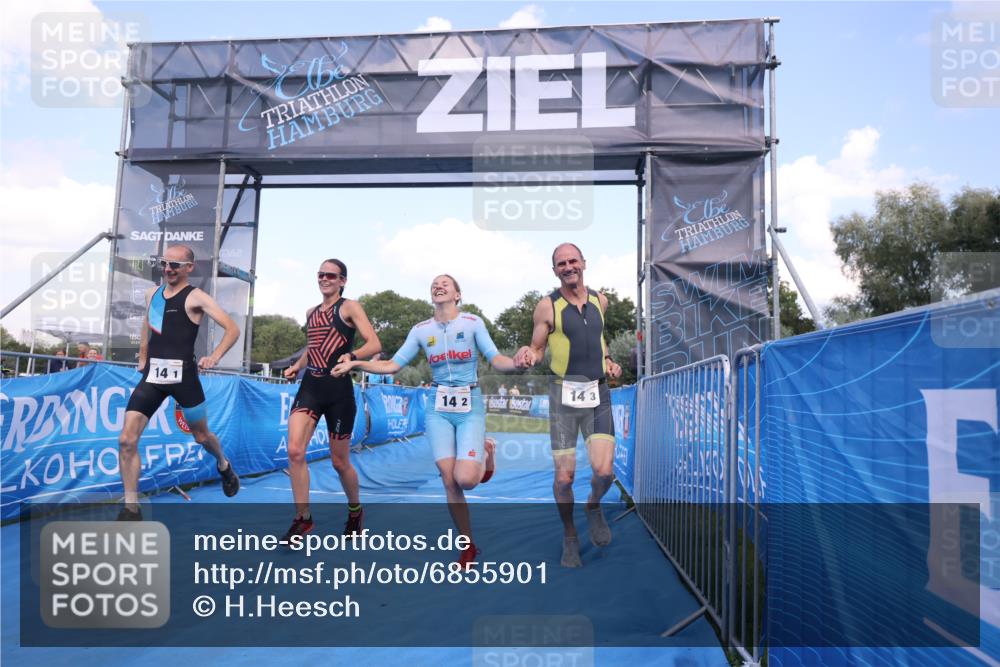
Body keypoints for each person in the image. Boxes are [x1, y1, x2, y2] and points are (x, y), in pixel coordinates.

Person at [334, 274, 515, 567]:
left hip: (469, 404)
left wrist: (517, 361)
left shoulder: (472, 323)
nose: (439, 286)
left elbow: (496, 359)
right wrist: (357, 362)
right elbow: (392, 364)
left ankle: (486, 451)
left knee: (466, 479)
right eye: (435, 284)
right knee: (449, 480)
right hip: (437, 407)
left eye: (446, 283)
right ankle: (467, 544)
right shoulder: (421, 330)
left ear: (458, 294)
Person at [514, 243, 623, 567]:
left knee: (605, 473)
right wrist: (526, 355)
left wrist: (609, 361)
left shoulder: (600, 300)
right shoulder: (547, 307)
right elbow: (537, 347)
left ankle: (592, 506)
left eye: (572, 260)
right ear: (554, 270)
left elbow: (600, 342)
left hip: (597, 394)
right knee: (564, 478)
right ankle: (570, 536)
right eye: (561, 263)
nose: (568, 266)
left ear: (584, 263)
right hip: (564, 396)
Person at [118, 245, 242, 520]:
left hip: (184, 377)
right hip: (153, 375)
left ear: (189, 267)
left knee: (201, 436)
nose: (168, 269)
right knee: (126, 440)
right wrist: (142, 356)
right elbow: (147, 325)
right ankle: (131, 508)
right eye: (165, 263)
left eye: (175, 265)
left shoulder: (196, 297)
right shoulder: (153, 294)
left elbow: (233, 328)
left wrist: (215, 356)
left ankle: (223, 464)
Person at [281, 259, 381, 540]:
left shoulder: (349, 307)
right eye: (321, 274)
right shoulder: (311, 312)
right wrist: (296, 367)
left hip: (338, 390)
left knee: (340, 462)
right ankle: (303, 518)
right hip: (311, 386)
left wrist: (352, 357)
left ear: (342, 281)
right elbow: (314, 348)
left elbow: (374, 343)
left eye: (331, 275)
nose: (324, 279)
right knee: (295, 451)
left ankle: (355, 510)